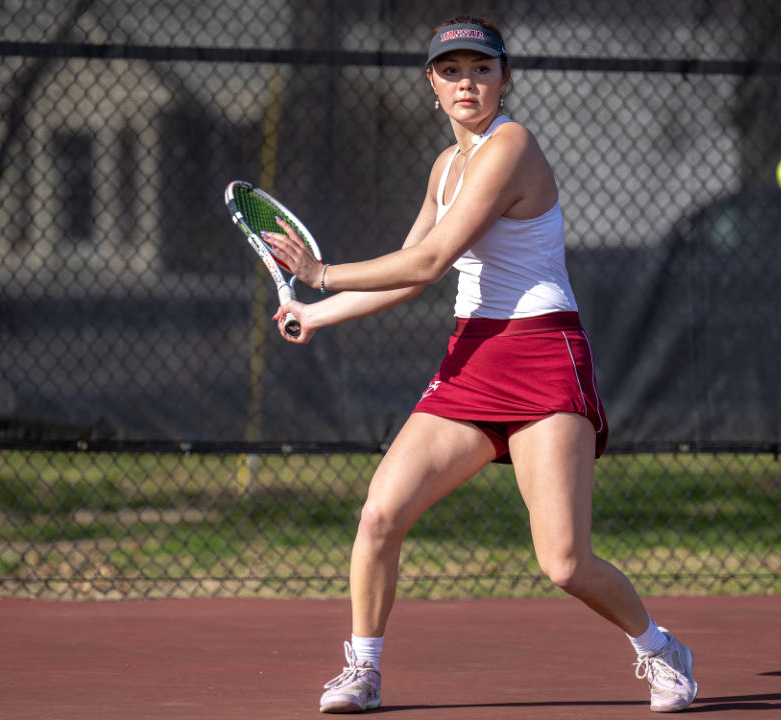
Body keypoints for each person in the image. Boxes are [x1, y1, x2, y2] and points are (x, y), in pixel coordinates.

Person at [262, 15, 698, 714]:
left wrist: (322, 274)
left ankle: (659, 648)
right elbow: (412, 279)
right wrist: (319, 313)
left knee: (564, 563)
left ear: (504, 79)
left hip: (542, 356)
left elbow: (432, 259)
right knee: (379, 516)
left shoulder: (512, 147)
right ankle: (363, 671)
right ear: (432, 85)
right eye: (451, 70)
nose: (467, 83)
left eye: (481, 69)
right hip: (471, 360)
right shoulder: (444, 167)